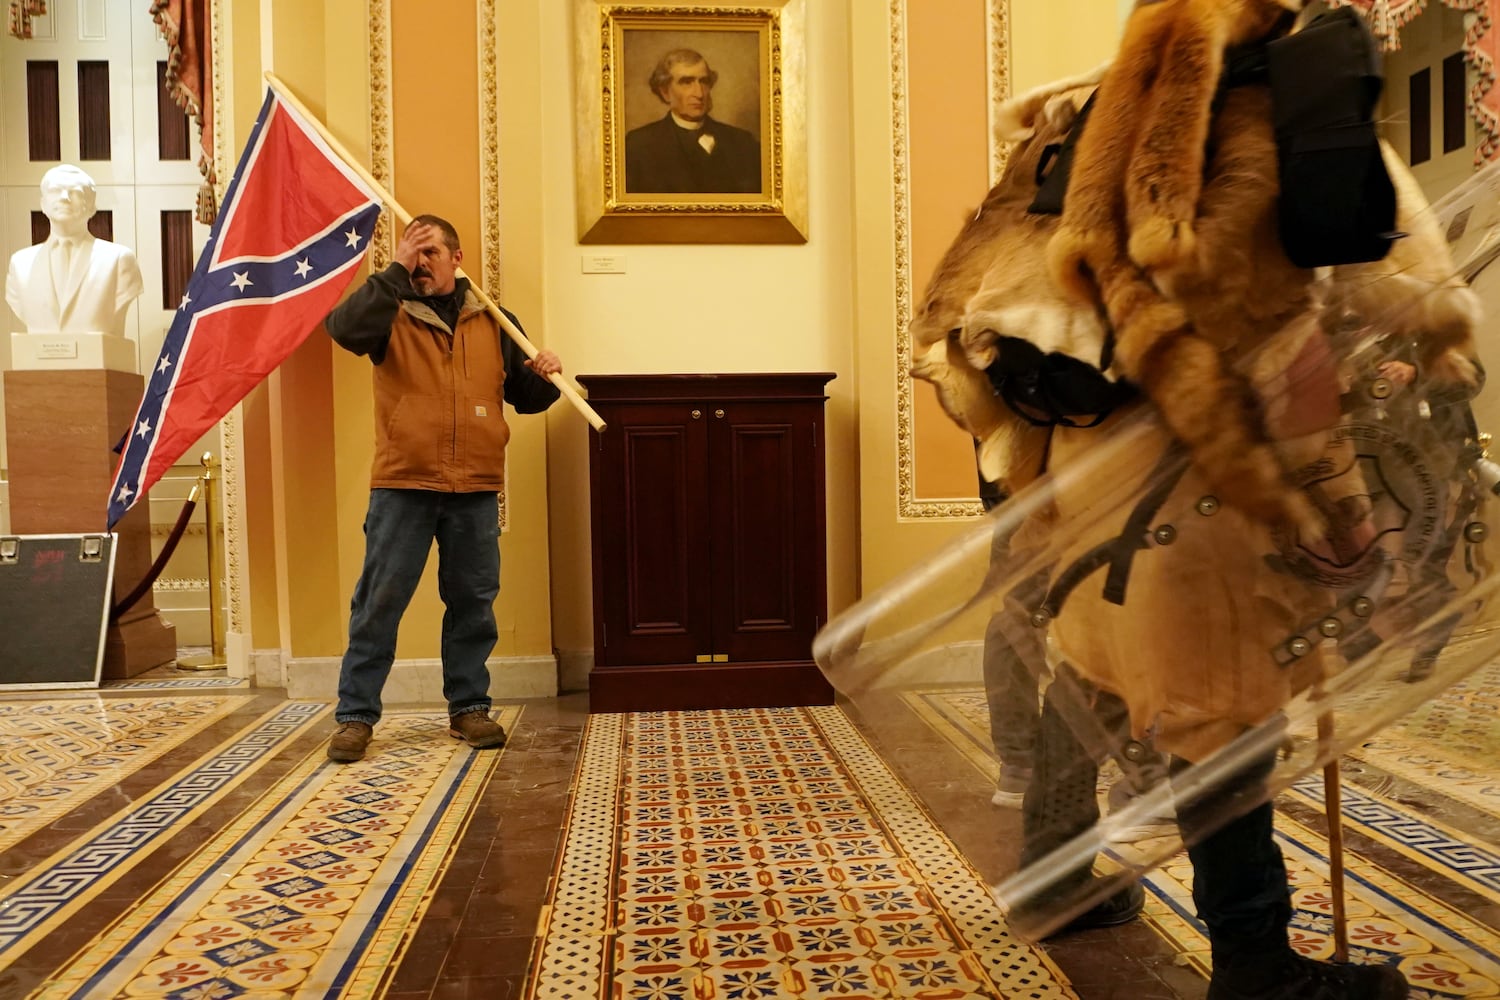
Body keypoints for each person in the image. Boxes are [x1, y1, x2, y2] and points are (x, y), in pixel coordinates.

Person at [323, 214, 562, 764]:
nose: (421, 262)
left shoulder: (495, 319)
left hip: (475, 485)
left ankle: (469, 708)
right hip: (404, 482)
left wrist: (545, 375)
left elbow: (524, 397)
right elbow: (344, 330)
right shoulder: (390, 311)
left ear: (457, 258)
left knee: (474, 603)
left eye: (430, 252)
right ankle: (356, 717)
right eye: (413, 253)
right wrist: (394, 270)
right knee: (379, 603)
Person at [5, 164, 143, 336]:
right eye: (56, 190)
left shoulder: (119, 259)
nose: (64, 198)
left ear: (92, 206)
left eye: (75, 192)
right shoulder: (20, 263)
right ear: (43, 204)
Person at [624, 48, 762, 195]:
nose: (699, 93)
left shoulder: (744, 143)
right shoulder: (637, 146)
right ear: (665, 92)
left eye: (704, 82)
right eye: (686, 82)